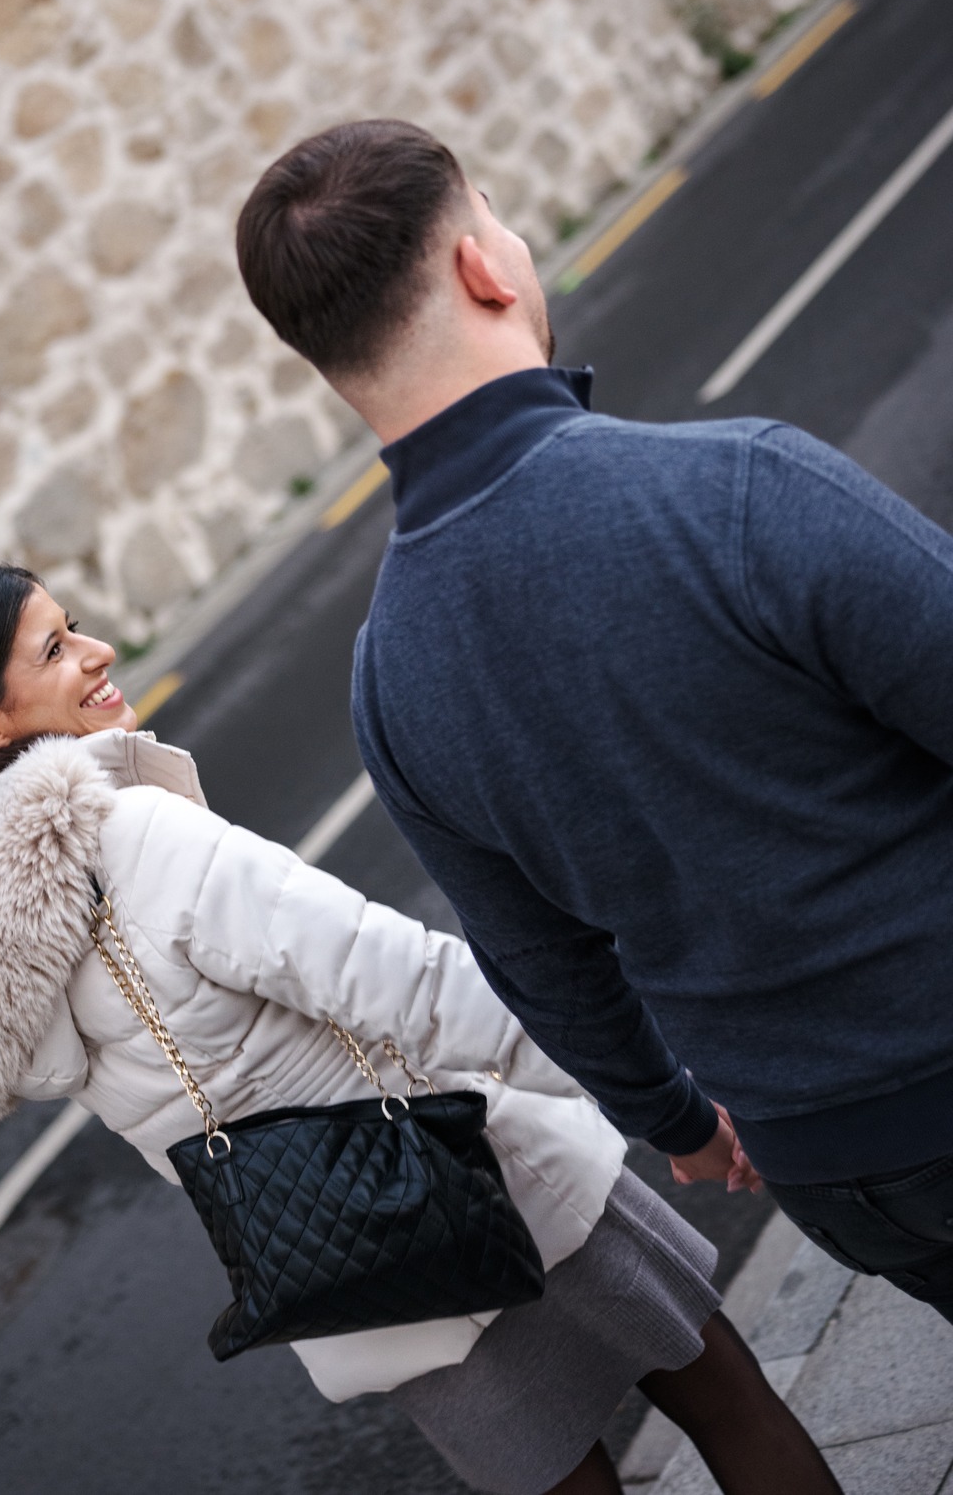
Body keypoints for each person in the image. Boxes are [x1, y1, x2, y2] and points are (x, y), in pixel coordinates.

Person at [0, 564, 838, 1495]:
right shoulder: (137, 838)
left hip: (359, 1270)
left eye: (74, 628)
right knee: (728, 1403)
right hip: (488, 1177)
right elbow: (406, 983)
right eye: (55, 650)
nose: (98, 651)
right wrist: (652, 1099)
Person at [235, 118, 953, 1321]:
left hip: (836, 1169)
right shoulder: (737, 488)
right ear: (482, 268)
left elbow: (542, 965)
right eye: (497, 217)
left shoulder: (387, 681)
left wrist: (676, 1122)